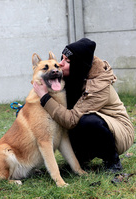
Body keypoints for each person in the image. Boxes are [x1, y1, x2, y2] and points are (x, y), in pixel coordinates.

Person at [33, 38, 134, 172]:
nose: (60, 64)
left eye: (67, 61)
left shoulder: (98, 86)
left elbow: (71, 120)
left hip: (118, 132)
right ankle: (81, 158)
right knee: (72, 118)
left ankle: (112, 160)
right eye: (62, 59)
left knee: (87, 121)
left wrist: (45, 98)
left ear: (78, 65)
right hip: (88, 120)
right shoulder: (74, 75)